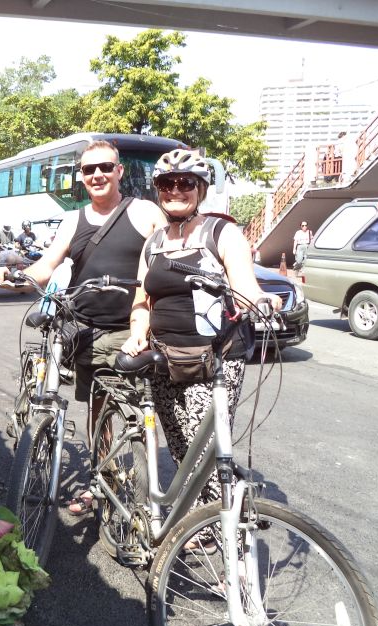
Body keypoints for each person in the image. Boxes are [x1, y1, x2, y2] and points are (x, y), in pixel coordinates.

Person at [0, 140, 167, 515]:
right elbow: (46, 266)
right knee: (96, 410)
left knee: (132, 412)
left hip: (129, 330)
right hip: (82, 329)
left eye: (105, 167)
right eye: (89, 170)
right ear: (81, 177)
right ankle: (98, 482)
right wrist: (15, 278)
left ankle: (142, 496)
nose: (97, 175)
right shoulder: (74, 219)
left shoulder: (145, 212)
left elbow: (167, 259)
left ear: (119, 171)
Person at [123, 149, 282, 524]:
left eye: (185, 183)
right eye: (166, 183)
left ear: (201, 190)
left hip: (217, 358)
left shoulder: (221, 233)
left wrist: (260, 299)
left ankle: (223, 524)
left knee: (208, 450)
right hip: (165, 358)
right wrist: (136, 334)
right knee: (181, 446)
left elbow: (245, 284)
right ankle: (200, 522)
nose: (175, 190)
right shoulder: (154, 243)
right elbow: (141, 301)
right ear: (157, 190)